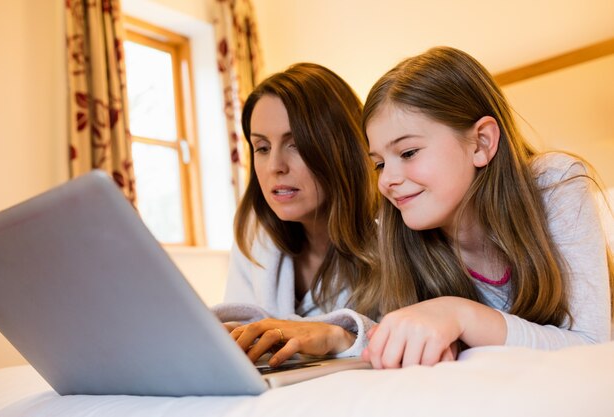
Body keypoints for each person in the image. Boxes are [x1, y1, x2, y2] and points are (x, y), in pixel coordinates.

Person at [361, 46, 614, 369]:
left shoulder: (556, 183)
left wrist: (460, 314)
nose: (387, 181)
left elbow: (590, 345)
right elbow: (399, 330)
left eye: (408, 152)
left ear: (481, 143)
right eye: (379, 164)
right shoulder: (398, 229)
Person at [212, 63, 379, 367]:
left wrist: (341, 336)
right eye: (262, 147)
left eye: (296, 144)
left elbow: (426, 335)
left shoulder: (394, 230)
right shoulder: (253, 232)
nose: (275, 165)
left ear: (342, 149)